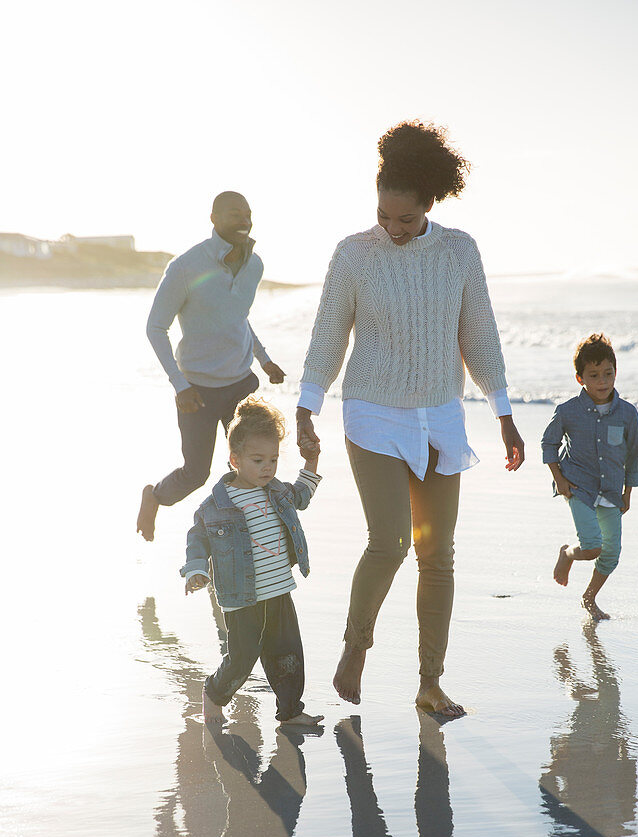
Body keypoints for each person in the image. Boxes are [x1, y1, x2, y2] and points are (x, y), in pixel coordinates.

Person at [296, 121, 525, 717]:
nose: (392, 230)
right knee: (390, 542)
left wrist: (503, 413)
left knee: (438, 555)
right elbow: (329, 335)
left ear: (430, 203)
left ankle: (429, 682)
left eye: (404, 219)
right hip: (373, 414)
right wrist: (307, 409)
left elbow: (480, 336)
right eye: (384, 217)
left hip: (441, 420)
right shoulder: (354, 254)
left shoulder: (458, 251)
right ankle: (355, 646)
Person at [137, 191, 285, 541]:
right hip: (197, 391)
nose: (244, 220)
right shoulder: (186, 266)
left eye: (247, 213)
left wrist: (264, 360)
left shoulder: (255, 264)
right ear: (214, 218)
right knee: (196, 472)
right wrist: (180, 385)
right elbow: (155, 327)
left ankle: (249, 536)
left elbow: (238, 317)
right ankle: (154, 496)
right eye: (235, 213)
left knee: (253, 463)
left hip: (241, 385)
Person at [182, 396, 323, 728]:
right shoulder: (215, 506)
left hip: (278, 591)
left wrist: (312, 460)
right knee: (242, 658)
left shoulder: (276, 492)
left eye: (273, 459)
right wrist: (196, 570)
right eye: (258, 460)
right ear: (235, 459)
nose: (268, 468)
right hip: (241, 598)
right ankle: (214, 695)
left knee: (288, 655)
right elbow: (196, 539)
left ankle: (290, 711)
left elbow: (302, 492)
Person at [541, 333, 638, 620]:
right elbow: (549, 444)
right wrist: (560, 480)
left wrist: (628, 491)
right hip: (578, 487)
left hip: (611, 490)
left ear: (616, 372)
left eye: (608, 373)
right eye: (594, 375)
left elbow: (633, 453)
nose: (602, 381)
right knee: (592, 546)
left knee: (611, 554)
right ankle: (568, 553)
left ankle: (589, 598)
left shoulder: (627, 414)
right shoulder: (568, 411)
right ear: (580, 378)